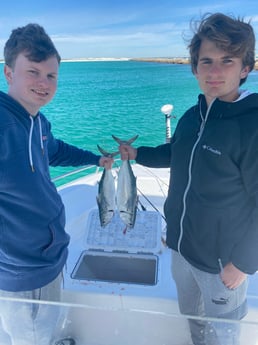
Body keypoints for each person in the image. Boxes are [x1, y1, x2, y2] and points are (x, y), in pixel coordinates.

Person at [119, 13, 257, 345]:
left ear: (245, 68)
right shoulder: (192, 116)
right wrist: (138, 155)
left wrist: (244, 263)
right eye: (206, 61)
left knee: (223, 333)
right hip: (181, 249)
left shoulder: (251, 126)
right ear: (194, 68)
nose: (214, 70)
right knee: (193, 319)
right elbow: (175, 154)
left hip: (222, 262)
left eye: (227, 60)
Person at [0, 23, 113, 345]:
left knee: (43, 326)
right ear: (9, 73)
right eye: (33, 72)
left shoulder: (36, 120)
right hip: (21, 267)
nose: (43, 83)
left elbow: (54, 149)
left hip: (48, 254)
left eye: (51, 76)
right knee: (30, 336)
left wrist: (95, 160)